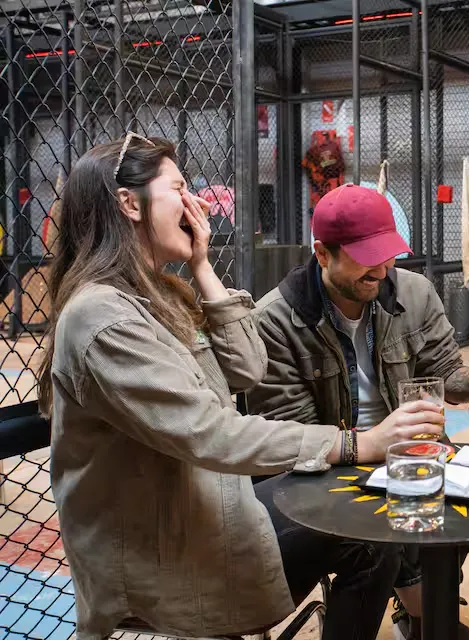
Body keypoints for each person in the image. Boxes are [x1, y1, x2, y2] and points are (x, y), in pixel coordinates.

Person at [37, 134, 437, 640]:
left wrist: (202, 265)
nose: (197, 204)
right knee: (365, 527)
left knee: (370, 528)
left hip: (209, 504)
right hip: (166, 552)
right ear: (128, 204)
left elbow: (247, 367)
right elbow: (213, 434)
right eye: (179, 189)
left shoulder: (159, 295)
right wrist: (357, 443)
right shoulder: (102, 315)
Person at [246, 183, 469, 640]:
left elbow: (445, 374)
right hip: (329, 464)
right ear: (322, 253)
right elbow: (296, 439)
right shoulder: (274, 321)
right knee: (392, 523)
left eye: (388, 253)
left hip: (410, 448)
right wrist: (373, 443)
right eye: (366, 257)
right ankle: (429, 618)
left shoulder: (414, 292)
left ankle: (424, 615)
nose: (382, 268)